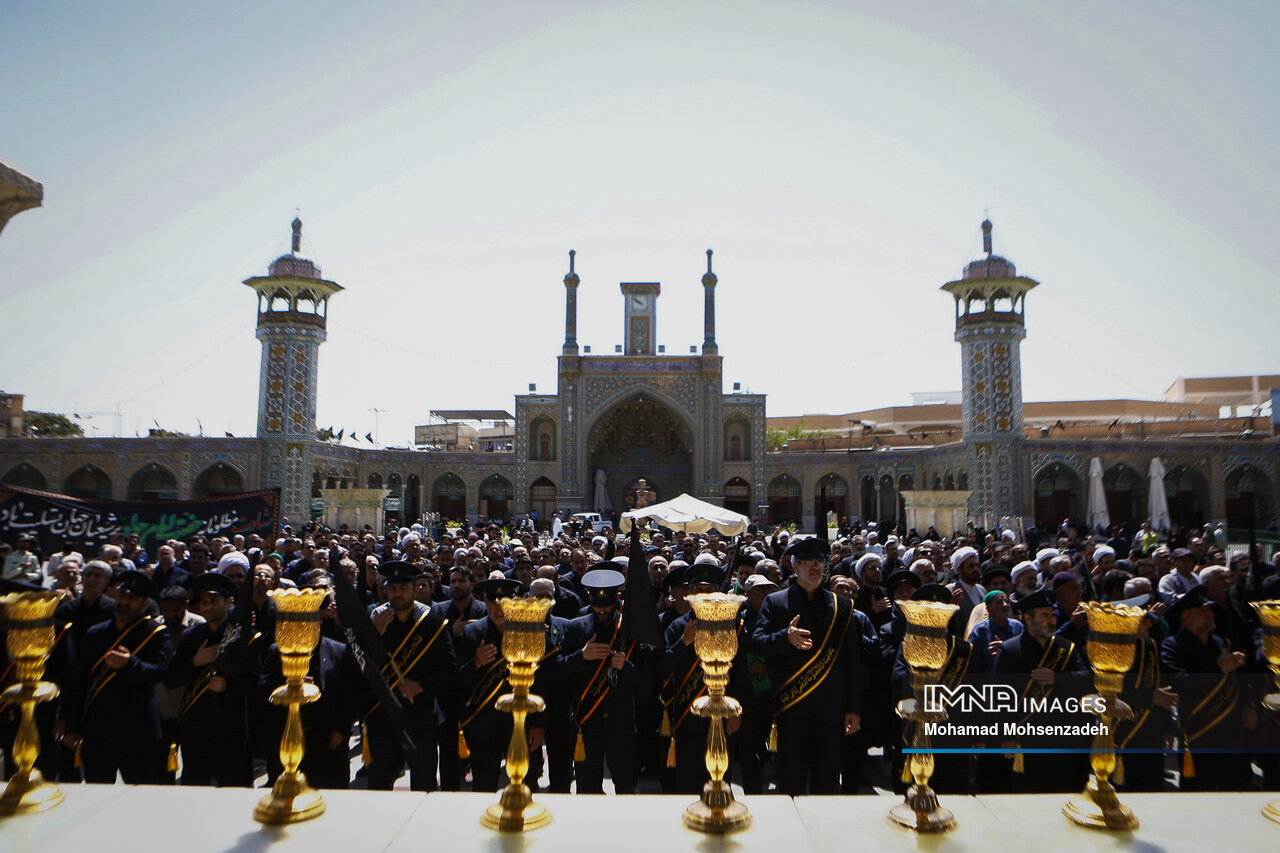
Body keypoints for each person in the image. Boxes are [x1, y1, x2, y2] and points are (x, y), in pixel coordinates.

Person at [751, 537, 862, 795]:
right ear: (795, 566)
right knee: (792, 783)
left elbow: (853, 661)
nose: (815, 567)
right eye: (808, 562)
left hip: (831, 710)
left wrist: (854, 708)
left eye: (820, 562)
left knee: (828, 784)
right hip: (792, 708)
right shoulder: (775, 602)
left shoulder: (842, 606)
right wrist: (785, 637)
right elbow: (757, 644)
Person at [65, 570, 169, 784]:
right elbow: (80, 681)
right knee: (96, 793)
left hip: (138, 731)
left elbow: (159, 673)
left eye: (132, 598)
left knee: (141, 794)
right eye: (122, 595)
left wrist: (130, 664)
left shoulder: (154, 632)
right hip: (98, 730)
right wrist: (73, 725)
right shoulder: (95, 633)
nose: (124, 602)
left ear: (144, 603)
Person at [364, 561, 455, 792]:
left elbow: (448, 669)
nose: (398, 594)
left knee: (424, 783)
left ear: (415, 589)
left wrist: (421, 685)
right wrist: (374, 636)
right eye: (392, 588)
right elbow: (361, 668)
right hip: (384, 716)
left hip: (421, 715)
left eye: (403, 588)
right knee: (379, 783)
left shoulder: (432, 624)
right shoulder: (376, 622)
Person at [993, 588, 1090, 793]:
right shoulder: (1010, 650)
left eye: (1052, 615)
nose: (1051, 620)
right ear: (1028, 618)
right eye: (1044, 615)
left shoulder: (1066, 648)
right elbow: (1000, 696)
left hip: (1062, 736)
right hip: (1026, 738)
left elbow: (1087, 680)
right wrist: (1006, 735)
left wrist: (1058, 678)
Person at [1160, 587, 1255, 790]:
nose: (1210, 614)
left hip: (1231, 734)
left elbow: (1238, 679)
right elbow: (1180, 682)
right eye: (1203, 611)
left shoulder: (1220, 641)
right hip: (1199, 735)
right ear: (1187, 618)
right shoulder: (1172, 646)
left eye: (1209, 610)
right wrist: (1218, 669)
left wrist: (1249, 705)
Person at [166, 571, 253, 786]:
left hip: (231, 726)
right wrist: (195, 662)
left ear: (227, 602)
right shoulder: (191, 636)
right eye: (203, 602)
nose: (207, 606)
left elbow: (256, 681)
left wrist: (228, 686)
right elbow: (171, 678)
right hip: (196, 727)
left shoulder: (243, 636)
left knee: (233, 789)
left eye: (213, 601)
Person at [561, 566, 640, 794]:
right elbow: (559, 670)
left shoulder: (629, 627)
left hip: (621, 721)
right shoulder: (576, 627)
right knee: (587, 787)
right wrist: (581, 657)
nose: (602, 610)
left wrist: (626, 666)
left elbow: (647, 677)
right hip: (587, 720)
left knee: (625, 786)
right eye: (597, 605)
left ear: (617, 598)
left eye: (607, 606)